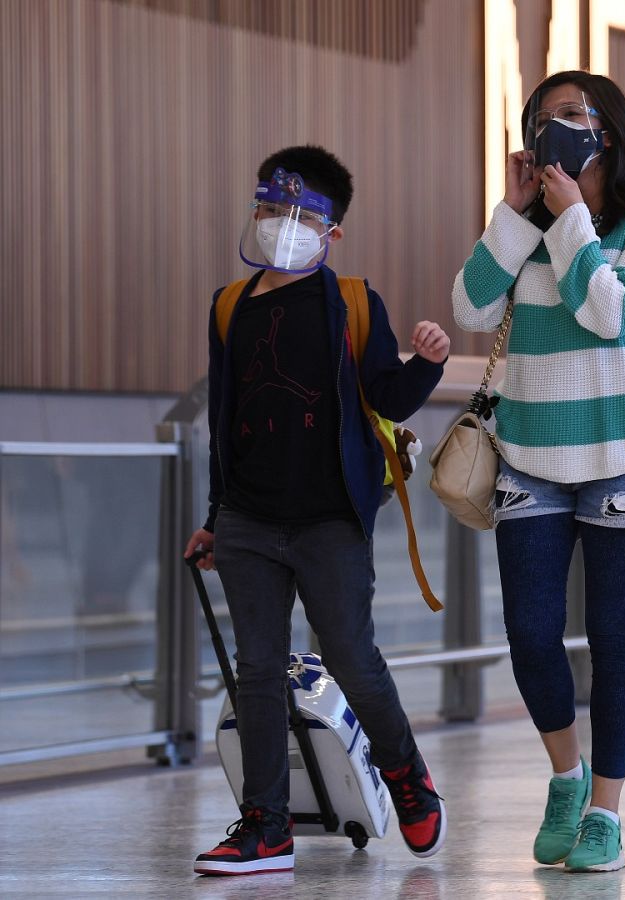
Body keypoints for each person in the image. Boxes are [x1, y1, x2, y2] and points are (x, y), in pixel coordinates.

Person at [451, 70, 625, 874]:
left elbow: (615, 309)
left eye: (571, 115)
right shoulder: (526, 224)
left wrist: (572, 222)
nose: (554, 128)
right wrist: (516, 215)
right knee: (529, 634)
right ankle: (565, 774)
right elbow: (471, 306)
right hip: (531, 455)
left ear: (610, 132)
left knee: (615, 638)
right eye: (541, 119)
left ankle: (605, 814)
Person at [184, 146, 451, 875]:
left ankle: (406, 776)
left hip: (331, 520)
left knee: (351, 660)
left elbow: (388, 399)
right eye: (271, 209)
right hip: (248, 521)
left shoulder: (354, 304)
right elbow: (223, 417)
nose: (280, 225)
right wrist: (215, 516)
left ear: (331, 233)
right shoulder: (229, 305)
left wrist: (427, 361)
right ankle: (265, 825)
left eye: (299, 216)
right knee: (259, 670)